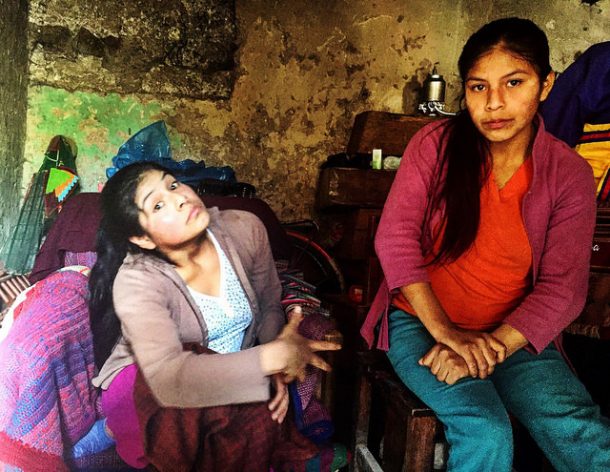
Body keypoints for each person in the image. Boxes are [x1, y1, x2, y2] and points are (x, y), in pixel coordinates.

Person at [360, 17, 610, 472]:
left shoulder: (569, 173)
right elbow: (395, 239)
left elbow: (563, 290)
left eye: (514, 82)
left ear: (546, 85)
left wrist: (487, 347)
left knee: (582, 434)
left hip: (514, 335)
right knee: (484, 428)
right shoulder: (434, 145)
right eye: (478, 87)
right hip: (421, 323)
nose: (494, 103)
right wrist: (447, 334)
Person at [87, 161, 341, 471]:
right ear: (143, 239)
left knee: (257, 415)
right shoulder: (137, 279)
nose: (179, 198)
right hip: (152, 382)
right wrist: (267, 360)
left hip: (232, 370)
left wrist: (276, 366)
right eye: (158, 204)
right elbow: (170, 376)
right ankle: (112, 430)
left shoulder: (246, 229)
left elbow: (269, 307)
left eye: (173, 185)